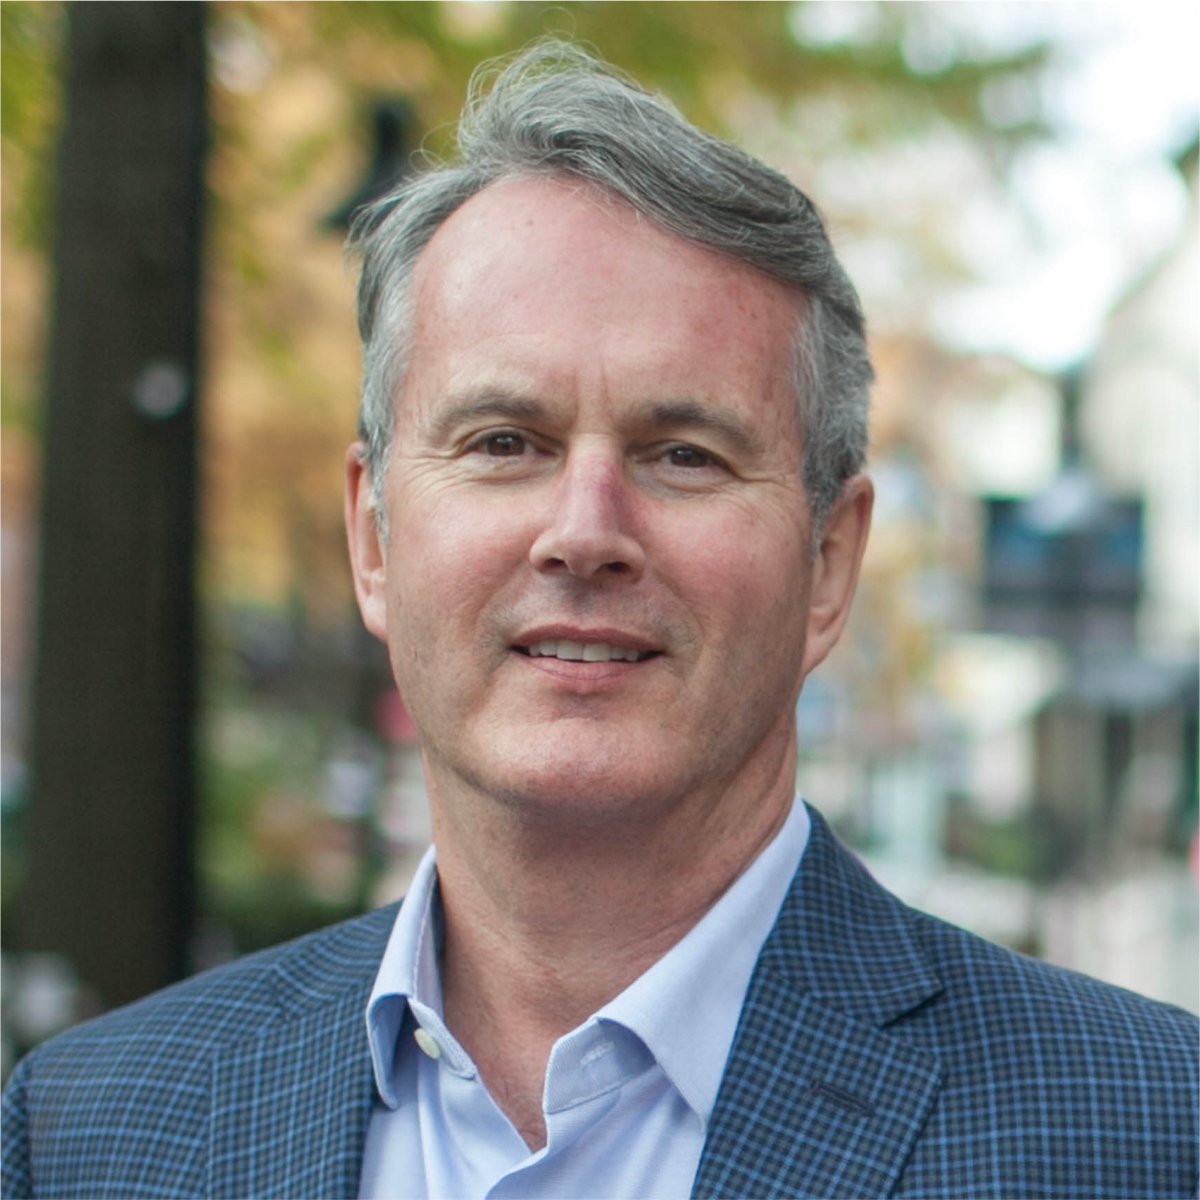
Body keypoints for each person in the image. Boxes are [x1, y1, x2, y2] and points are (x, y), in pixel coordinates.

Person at [3, 41, 1196, 1200]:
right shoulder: (90, 1132)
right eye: (503, 443)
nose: (583, 531)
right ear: (373, 539)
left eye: (684, 454)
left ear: (829, 563)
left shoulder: (1147, 1136)